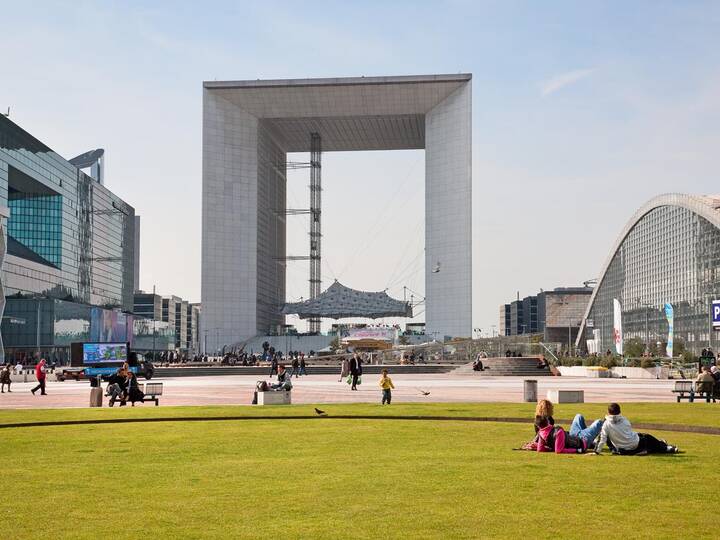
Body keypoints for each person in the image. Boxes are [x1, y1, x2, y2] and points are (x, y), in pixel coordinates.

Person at [592, 403, 679, 455]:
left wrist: (596, 452)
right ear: (620, 411)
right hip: (633, 445)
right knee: (647, 438)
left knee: (647, 443)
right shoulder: (624, 420)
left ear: (608, 412)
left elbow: (602, 439)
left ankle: (662, 445)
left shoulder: (606, 424)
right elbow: (629, 433)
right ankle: (666, 447)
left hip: (621, 449)